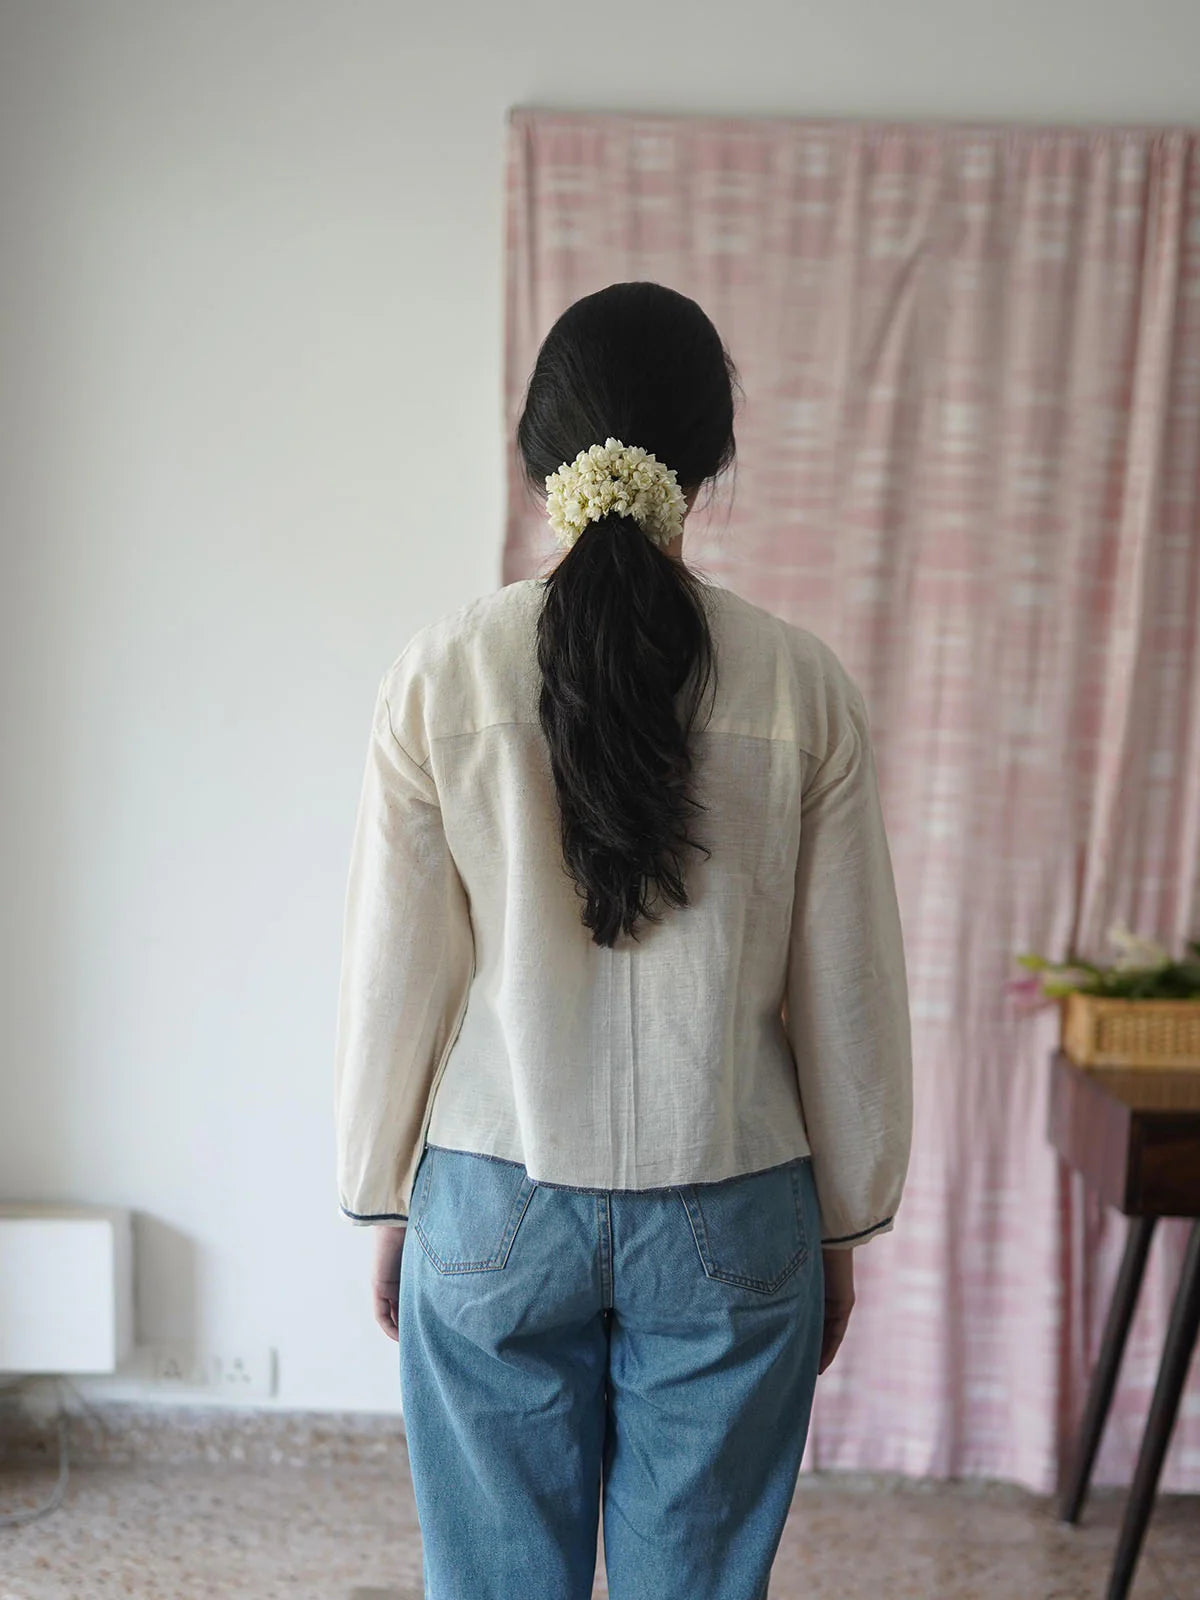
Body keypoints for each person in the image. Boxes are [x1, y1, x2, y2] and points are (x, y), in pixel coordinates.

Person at [333, 280, 913, 1600]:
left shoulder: (437, 674)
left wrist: (387, 1199)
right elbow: (850, 993)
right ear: (706, 460)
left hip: (487, 1198)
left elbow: (396, 980)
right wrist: (842, 1220)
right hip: (734, 1196)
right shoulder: (802, 682)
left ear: (544, 453)